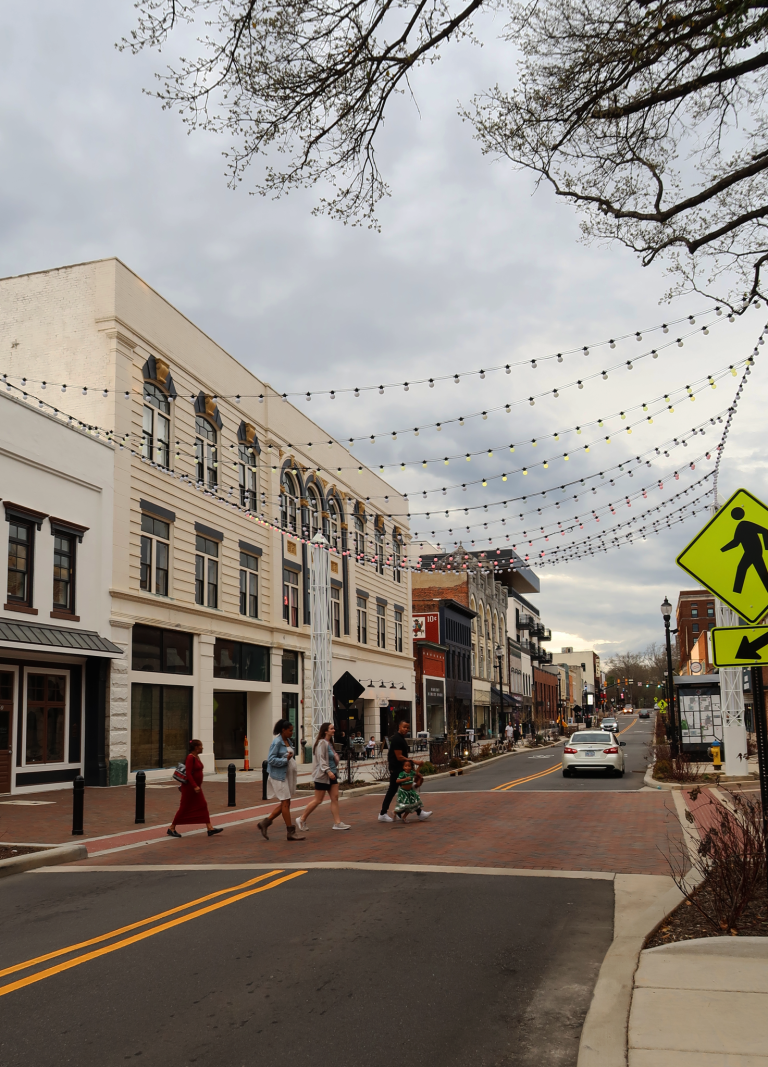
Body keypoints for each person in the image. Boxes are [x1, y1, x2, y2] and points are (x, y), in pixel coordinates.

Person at [296, 722, 350, 832]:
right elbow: (321, 759)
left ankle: (337, 823)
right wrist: (327, 771)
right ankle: (301, 819)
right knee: (318, 800)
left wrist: (333, 771)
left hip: (333, 774)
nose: (334, 730)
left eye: (334, 728)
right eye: (331, 728)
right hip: (323, 775)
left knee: (335, 798)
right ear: (325, 731)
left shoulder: (330, 743)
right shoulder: (322, 743)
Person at [258, 719, 304, 841]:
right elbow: (271, 759)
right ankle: (290, 831)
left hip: (286, 775)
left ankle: (265, 823)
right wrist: (285, 760)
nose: (292, 733)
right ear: (283, 730)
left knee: (286, 802)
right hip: (279, 776)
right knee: (285, 803)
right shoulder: (277, 742)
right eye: (290, 730)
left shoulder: (288, 741)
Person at [167, 739, 223, 838]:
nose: (202, 747)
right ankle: (171, 828)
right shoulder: (190, 758)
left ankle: (210, 828)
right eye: (200, 746)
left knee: (203, 805)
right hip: (190, 788)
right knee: (184, 807)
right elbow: (188, 773)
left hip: (196, 787)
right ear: (196, 748)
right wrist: (194, 785)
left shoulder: (196, 757)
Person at [378, 719, 431, 823]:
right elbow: (399, 757)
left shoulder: (400, 738)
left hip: (400, 768)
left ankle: (414, 813)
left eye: (407, 728)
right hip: (396, 768)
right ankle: (383, 813)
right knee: (398, 790)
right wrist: (413, 761)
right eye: (404, 727)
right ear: (399, 727)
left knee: (406, 790)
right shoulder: (397, 739)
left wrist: (411, 768)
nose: (406, 729)